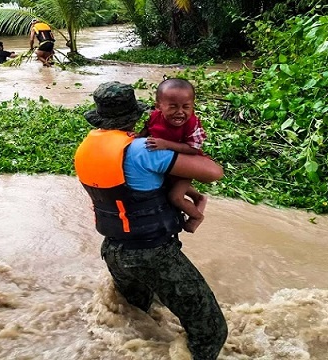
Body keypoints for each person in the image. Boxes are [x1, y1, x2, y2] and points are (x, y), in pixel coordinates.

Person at [74, 82, 227, 360]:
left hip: (114, 251)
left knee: (136, 319)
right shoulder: (143, 149)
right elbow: (214, 172)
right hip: (153, 253)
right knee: (211, 332)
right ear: (135, 115)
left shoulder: (86, 148)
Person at [138, 78, 208, 233]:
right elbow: (146, 131)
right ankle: (199, 197)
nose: (180, 112)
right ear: (158, 106)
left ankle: (196, 216)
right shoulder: (153, 116)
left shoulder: (193, 124)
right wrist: (136, 138)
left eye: (186, 107)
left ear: (193, 107)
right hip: (168, 163)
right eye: (173, 107)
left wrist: (165, 144)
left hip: (188, 163)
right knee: (168, 185)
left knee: (175, 197)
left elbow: (193, 149)